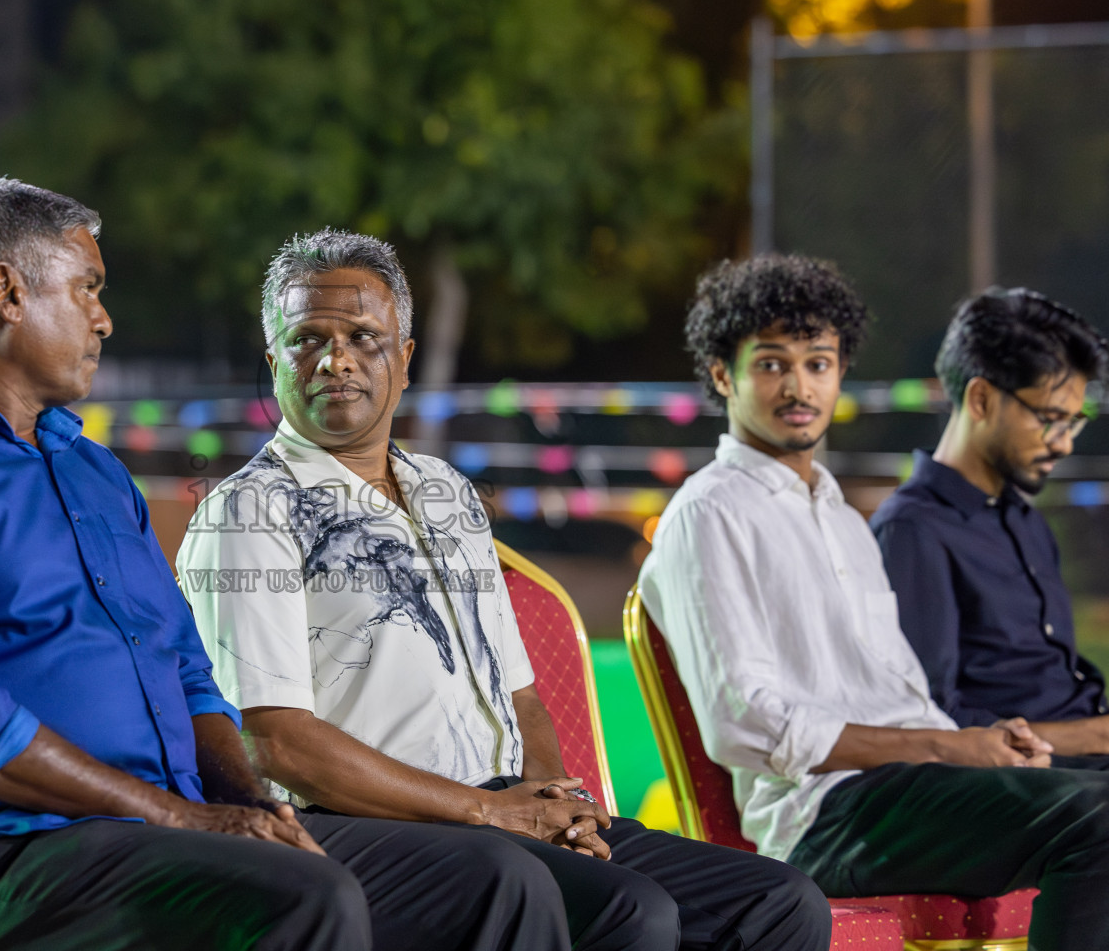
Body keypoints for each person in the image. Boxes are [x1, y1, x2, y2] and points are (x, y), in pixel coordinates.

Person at [0, 180, 578, 951]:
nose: (103, 318)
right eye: (87, 289)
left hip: (169, 835)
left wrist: (251, 810)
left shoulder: (95, 473)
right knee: (304, 897)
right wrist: (182, 816)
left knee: (495, 881)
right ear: (7, 291)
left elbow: (192, 678)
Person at [177, 228, 833, 951]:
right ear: (273, 361)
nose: (336, 360)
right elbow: (276, 744)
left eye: (364, 336)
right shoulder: (249, 509)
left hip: (499, 808)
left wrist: (556, 806)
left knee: (777, 901)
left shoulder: (446, 491)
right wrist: (489, 815)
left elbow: (520, 696)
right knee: (628, 911)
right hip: (362, 824)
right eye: (306, 339)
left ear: (404, 359)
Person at [638, 253, 1109, 951]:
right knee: (1099, 822)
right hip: (827, 814)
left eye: (818, 363)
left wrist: (986, 746)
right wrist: (948, 746)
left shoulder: (840, 516)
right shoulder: (710, 512)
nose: (799, 385)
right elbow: (743, 722)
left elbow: (903, 693)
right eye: (771, 364)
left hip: (911, 786)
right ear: (721, 375)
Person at [869, 288, 1109, 758]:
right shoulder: (913, 530)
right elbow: (928, 721)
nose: (1063, 444)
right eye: (1050, 420)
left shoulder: (1026, 522)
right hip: (1028, 785)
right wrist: (1095, 736)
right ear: (980, 399)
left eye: (1073, 423)